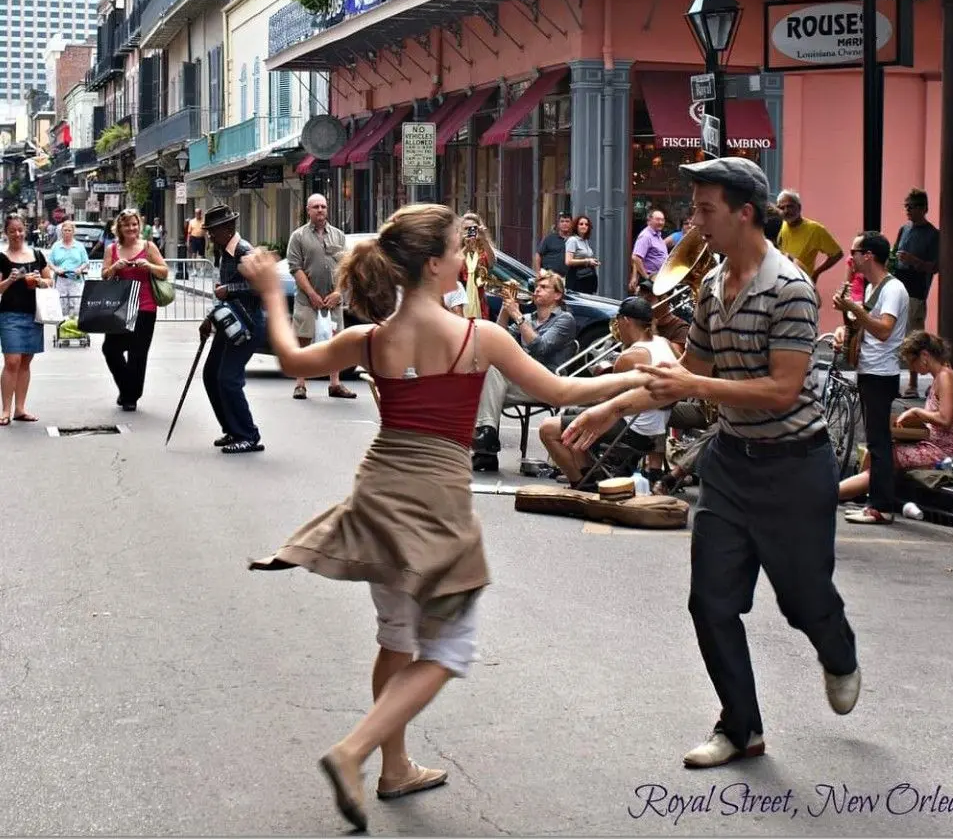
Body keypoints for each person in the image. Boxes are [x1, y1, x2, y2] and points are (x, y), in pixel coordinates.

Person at [237, 204, 650, 830]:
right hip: (435, 505)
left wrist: (271, 291)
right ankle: (354, 751)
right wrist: (639, 380)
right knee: (449, 648)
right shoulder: (477, 337)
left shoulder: (371, 338)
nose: (467, 258)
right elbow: (564, 393)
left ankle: (394, 766)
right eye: (460, 248)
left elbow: (292, 360)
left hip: (376, 495)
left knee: (396, 638)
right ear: (434, 265)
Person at [564, 157, 860, 769]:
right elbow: (688, 375)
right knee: (711, 603)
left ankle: (838, 651)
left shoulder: (791, 289)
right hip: (729, 463)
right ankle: (741, 727)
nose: (693, 223)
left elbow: (782, 389)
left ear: (744, 213)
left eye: (705, 210)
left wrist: (697, 389)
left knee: (803, 601)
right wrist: (608, 409)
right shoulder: (709, 286)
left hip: (795, 466)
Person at [539, 297, 676, 489]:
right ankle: (590, 473)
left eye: (618, 320)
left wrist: (574, 392)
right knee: (571, 416)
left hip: (634, 431)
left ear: (626, 321)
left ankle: (581, 483)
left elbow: (604, 400)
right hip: (655, 430)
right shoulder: (665, 343)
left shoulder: (630, 356)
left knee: (548, 428)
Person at [833, 231, 909, 525]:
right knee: (874, 441)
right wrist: (845, 330)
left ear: (869, 255)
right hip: (870, 369)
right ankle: (875, 504)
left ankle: (882, 506)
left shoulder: (893, 289)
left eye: (854, 251)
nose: (850, 257)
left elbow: (884, 330)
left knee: (878, 442)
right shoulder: (871, 288)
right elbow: (864, 327)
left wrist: (852, 309)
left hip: (881, 372)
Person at [838, 331, 953, 506]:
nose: (912, 368)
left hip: (944, 450)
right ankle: (864, 491)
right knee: (875, 452)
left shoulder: (946, 376)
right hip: (931, 443)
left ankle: (834, 494)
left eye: (912, 362)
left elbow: (945, 419)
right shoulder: (940, 377)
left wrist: (917, 412)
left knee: (884, 458)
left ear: (924, 356)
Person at [471, 270, 577, 457]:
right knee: (480, 384)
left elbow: (541, 348)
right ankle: (486, 445)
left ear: (557, 295)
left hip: (548, 383)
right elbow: (498, 339)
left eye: (543, 287)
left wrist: (517, 315)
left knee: (489, 386)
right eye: (536, 287)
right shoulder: (529, 319)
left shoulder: (564, 320)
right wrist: (505, 310)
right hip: (523, 381)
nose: (536, 291)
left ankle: (485, 446)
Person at [198, 204, 266, 454]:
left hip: (247, 325)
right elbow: (224, 294)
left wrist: (230, 290)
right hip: (230, 322)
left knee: (228, 378)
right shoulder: (224, 251)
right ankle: (232, 428)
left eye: (212, 231)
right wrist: (210, 320)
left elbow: (261, 287)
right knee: (210, 375)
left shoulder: (243, 251)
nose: (209, 236)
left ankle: (248, 435)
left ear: (226, 229)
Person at [286, 194, 355, 401]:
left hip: (333, 301)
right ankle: (300, 384)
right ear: (308, 210)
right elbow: (295, 268)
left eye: (323, 206)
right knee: (303, 340)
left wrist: (337, 293)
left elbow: (346, 267)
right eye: (315, 207)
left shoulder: (339, 236)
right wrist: (312, 294)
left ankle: (335, 384)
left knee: (335, 342)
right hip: (307, 300)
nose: (320, 210)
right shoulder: (298, 237)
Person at [101, 208, 169, 412]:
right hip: (120, 307)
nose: (131, 228)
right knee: (110, 349)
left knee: (138, 353)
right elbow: (105, 275)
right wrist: (114, 268)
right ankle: (128, 388)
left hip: (145, 306)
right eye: (127, 225)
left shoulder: (148, 247)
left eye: (134, 224)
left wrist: (148, 265)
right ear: (119, 228)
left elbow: (164, 272)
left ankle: (130, 396)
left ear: (139, 226)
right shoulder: (111, 249)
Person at [0, 213, 54, 424]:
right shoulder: (2, 258)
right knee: (11, 361)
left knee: (25, 362)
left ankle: (20, 409)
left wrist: (41, 281)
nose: (17, 234)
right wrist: (10, 281)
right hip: (9, 314)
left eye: (20, 230)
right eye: (12, 231)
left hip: (34, 314)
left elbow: (50, 281)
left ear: (26, 230)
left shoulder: (37, 255)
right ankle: (5, 409)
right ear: (6, 233)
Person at [891, 188, 940, 398]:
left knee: (914, 336)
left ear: (924, 208)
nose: (907, 210)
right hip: (899, 284)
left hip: (917, 288)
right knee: (894, 334)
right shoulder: (904, 229)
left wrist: (914, 261)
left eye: (911, 206)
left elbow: (935, 266)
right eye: (906, 206)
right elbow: (894, 253)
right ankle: (893, 379)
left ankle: (912, 383)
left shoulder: (933, 234)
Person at [775, 189, 844, 284]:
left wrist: (816, 273)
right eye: (781, 208)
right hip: (779, 282)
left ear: (799, 207)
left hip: (801, 283)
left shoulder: (815, 229)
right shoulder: (777, 226)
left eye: (790, 206)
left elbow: (837, 254)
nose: (786, 211)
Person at [49, 220, 90, 318]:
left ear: (73, 232)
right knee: (61, 306)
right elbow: (50, 262)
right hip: (61, 279)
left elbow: (86, 262)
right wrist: (56, 269)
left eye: (69, 230)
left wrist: (80, 269)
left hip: (76, 279)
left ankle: (75, 328)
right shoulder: (56, 246)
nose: (67, 232)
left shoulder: (79, 246)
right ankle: (61, 327)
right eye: (65, 230)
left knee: (75, 306)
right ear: (61, 231)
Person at [458, 212, 495, 320]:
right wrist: (466, 247)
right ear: (460, 231)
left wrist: (484, 239)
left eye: (474, 228)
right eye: (466, 229)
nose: (470, 231)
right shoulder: (456, 248)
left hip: (479, 302)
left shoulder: (483, 249)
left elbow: (492, 263)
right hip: (460, 302)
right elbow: (454, 266)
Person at [629, 209, 668, 292]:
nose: (661, 222)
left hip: (658, 279)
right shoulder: (646, 236)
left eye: (662, 220)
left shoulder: (658, 236)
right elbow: (636, 257)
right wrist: (646, 277)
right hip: (649, 281)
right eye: (657, 219)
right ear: (649, 221)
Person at [564, 214, 600, 294]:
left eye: (586, 224)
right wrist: (587, 261)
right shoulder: (572, 240)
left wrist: (592, 261)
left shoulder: (585, 241)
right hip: (577, 279)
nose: (584, 226)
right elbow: (568, 261)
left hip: (588, 278)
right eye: (581, 224)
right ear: (576, 226)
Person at [533, 211, 573, 278]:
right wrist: (538, 272)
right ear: (558, 224)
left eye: (567, 221)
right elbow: (538, 255)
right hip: (549, 276)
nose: (565, 223)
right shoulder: (549, 238)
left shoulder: (574, 240)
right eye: (562, 221)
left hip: (567, 278)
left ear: (571, 223)